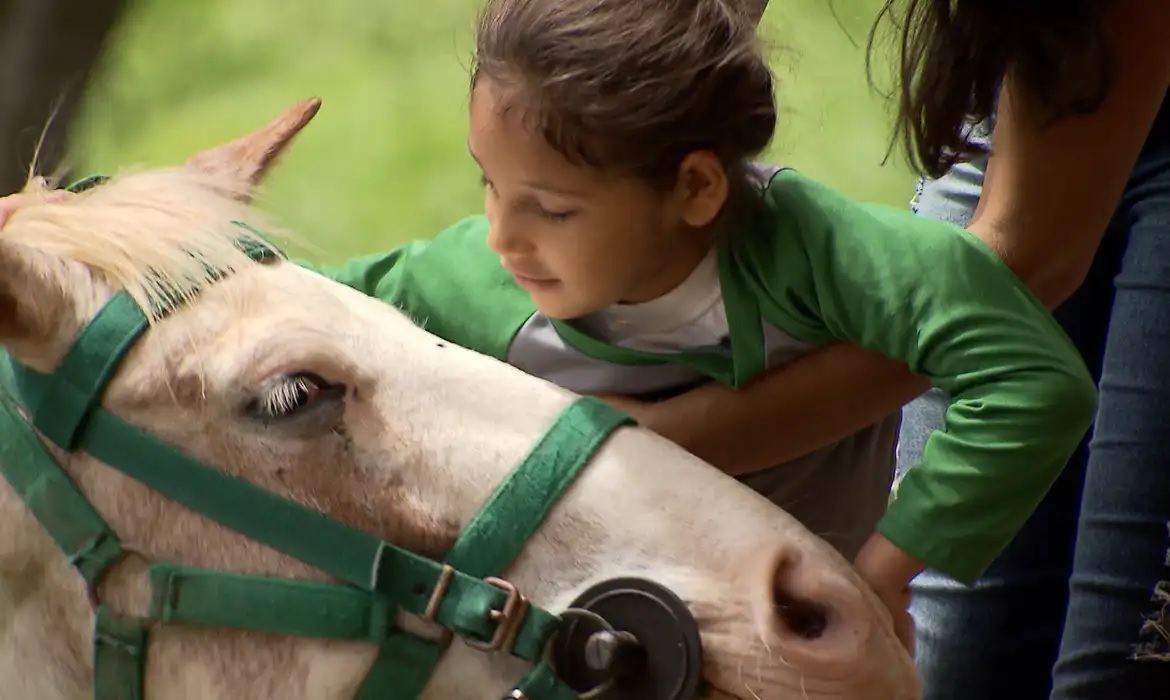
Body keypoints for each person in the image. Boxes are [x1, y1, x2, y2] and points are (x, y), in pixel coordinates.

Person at [287, 0, 1098, 649]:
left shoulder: (825, 258)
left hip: (801, 656)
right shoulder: (471, 281)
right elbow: (278, 310)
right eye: (489, 187)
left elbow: (1034, 381)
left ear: (698, 188)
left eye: (552, 208)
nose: (501, 235)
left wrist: (885, 570)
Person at [863, 0, 1170, 697]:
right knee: (935, 661)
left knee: (1115, 671)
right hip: (1028, 51)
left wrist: (684, 429)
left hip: (1088, 41)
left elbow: (1025, 260)